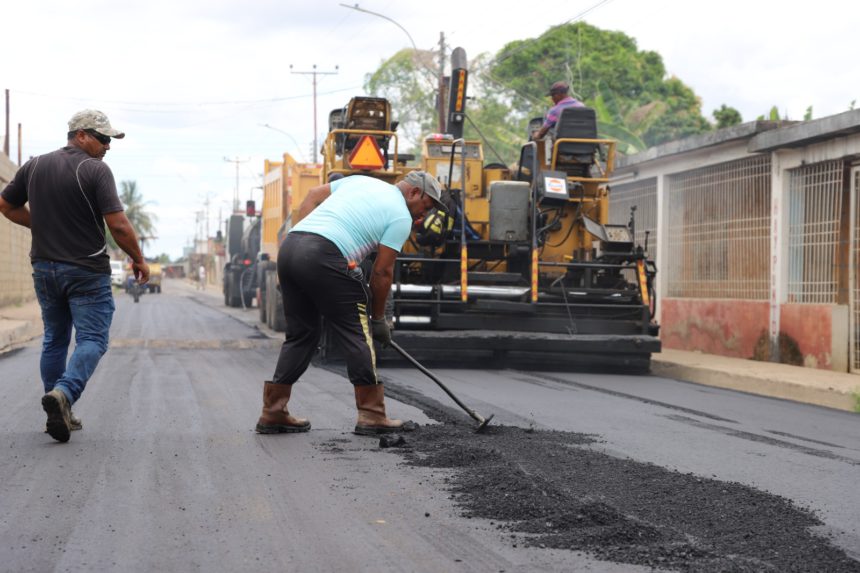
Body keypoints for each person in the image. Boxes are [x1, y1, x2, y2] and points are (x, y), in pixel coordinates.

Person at [255, 170, 445, 436]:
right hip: (326, 255)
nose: (423, 215)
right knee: (358, 332)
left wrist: (308, 240)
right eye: (425, 206)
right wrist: (378, 319)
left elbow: (311, 196)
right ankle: (372, 414)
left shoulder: (361, 181)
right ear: (414, 192)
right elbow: (381, 273)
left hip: (292, 247)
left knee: (301, 335)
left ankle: (273, 411)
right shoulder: (401, 215)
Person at [0, 109, 150, 443]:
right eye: (103, 138)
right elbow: (118, 225)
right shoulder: (94, 170)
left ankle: (59, 407)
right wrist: (138, 259)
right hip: (86, 271)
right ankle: (65, 394)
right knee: (93, 339)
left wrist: (39, 225)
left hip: (44, 269)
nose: (107, 146)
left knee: (54, 338)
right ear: (80, 135)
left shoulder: (34, 165)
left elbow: (6, 205)